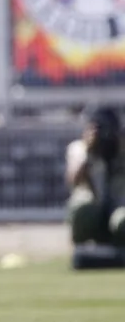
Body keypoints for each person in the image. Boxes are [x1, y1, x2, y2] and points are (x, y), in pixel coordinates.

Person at [66, 106, 125, 269]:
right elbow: (73, 180)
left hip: (119, 205)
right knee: (82, 209)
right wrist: (89, 151)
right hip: (94, 208)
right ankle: (84, 250)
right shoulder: (79, 148)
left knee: (123, 221)